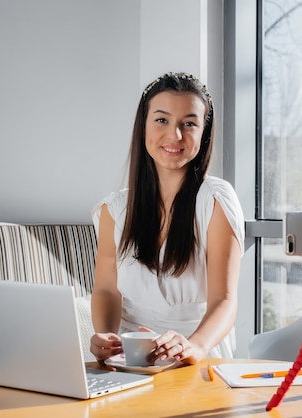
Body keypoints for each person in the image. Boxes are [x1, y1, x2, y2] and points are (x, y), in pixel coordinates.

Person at [90, 72, 245, 366]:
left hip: (197, 352)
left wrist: (195, 347)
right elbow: (106, 290)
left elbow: (224, 301)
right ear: (143, 126)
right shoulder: (116, 208)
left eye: (189, 124)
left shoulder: (215, 200)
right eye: (162, 120)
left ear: (204, 133)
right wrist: (105, 336)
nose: (175, 136)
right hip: (128, 359)